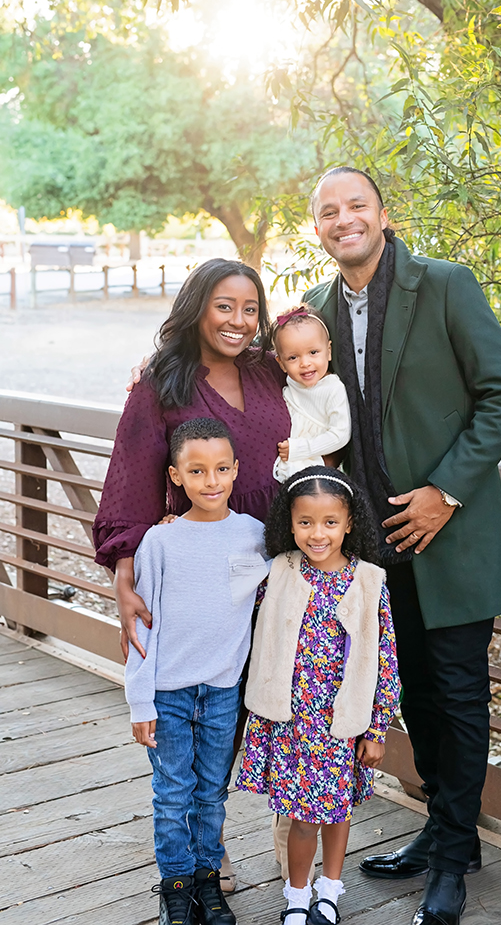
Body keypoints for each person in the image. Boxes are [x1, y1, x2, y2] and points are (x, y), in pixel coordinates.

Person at [302, 167, 501, 925]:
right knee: (414, 699)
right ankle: (440, 832)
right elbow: (283, 397)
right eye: (329, 212)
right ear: (318, 229)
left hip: (449, 535)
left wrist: (446, 492)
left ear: (381, 213)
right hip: (371, 550)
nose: (344, 219)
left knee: (459, 697)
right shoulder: (315, 312)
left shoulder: (444, 284)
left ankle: (454, 858)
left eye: (355, 205)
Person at [94, 257, 291, 893]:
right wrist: (127, 576)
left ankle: (296, 834)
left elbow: (319, 346)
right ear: (197, 308)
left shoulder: (270, 369)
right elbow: (133, 476)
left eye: (250, 309)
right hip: (202, 567)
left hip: (279, 556)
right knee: (211, 704)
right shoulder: (163, 382)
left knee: (271, 692)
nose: (238, 320)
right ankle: (210, 843)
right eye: (224, 306)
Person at [236, 467, 401, 925]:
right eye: (305, 521)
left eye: (330, 522)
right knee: (302, 815)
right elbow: (231, 593)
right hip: (291, 721)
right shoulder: (278, 572)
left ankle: (330, 889)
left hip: (342, 723)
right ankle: (297, 895)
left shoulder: (369, 582)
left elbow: (385, 660)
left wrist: (378, 727)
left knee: (336, 808)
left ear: (349, 523)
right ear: (289, 523)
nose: (317, 533)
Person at [125, 417, 270, 925]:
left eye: (222, 469)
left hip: (223, 690)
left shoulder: (255, 536)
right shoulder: (160, 544)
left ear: (236, 471)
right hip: (167, 692)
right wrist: (140, 700)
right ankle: (176, 888)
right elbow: (142, 629)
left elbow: (266, 594)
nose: (212, 481)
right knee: (171, 796)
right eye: (197, 470)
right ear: (176, 476)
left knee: (211, 792)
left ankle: (210, 884)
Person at [272, 305, 351, 482]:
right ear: (281, 363)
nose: (305, 363)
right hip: (287, 461)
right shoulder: (289, 385)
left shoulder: (332, 389)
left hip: (315, 463)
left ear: (328, 351)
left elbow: (341, 434)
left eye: (313, 352)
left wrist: (300, 449)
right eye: (293, 357)